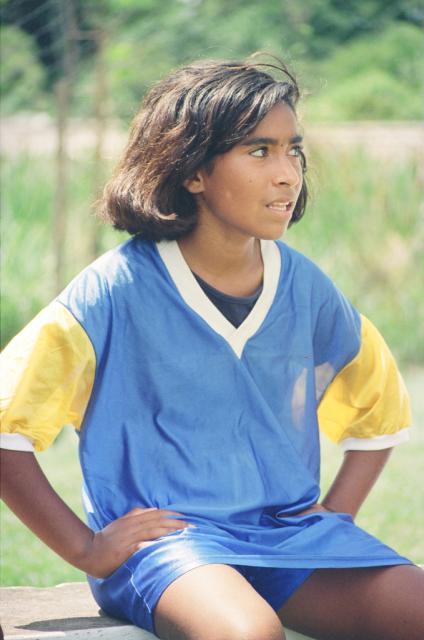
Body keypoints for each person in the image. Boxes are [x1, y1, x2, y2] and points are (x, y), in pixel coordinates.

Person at [1, 57, 423, 640]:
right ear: (193, 171)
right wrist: (87, 548)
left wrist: (337, 513)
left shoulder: (306, 287)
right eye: (259, 151)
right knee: (248, 634)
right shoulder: (113, 292)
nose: (288, 173)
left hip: (289, 538)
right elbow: (5, 428)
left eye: (291, 149)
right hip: (173, 545)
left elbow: (380, 414)